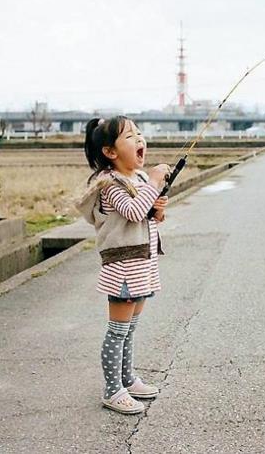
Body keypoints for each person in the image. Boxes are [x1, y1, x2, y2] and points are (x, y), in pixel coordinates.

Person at [76, 116, 170, 414]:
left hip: (143, 265)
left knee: (130, 329)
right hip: (124, 268)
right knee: (118, 331)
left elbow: (145, 215)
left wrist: (157, 211)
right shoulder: (110, 184)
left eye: (139, 134)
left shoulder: (138, 179)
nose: (140, 140)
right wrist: (155, 182)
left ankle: (127, 379)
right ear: (110, 152)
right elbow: (132, 212)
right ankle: (112, 389)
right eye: (130, 137)